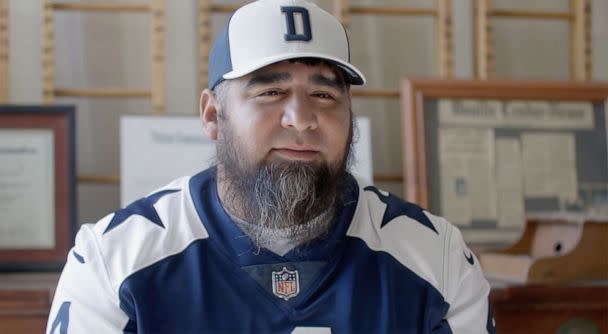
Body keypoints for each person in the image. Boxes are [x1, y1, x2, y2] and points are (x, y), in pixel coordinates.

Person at [47, 0, 495, 333]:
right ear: (211, 115)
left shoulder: (436, 259)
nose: (301, 117)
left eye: (324, 94)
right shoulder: (113, 261)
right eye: (269, 92)